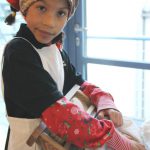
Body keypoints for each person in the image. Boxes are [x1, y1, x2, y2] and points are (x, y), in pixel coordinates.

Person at [2, 0, 145, 149]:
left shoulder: (55, 48)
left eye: (61, 13)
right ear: (25, 9)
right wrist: (119, 141)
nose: (50, 22)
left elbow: (78, 83)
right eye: (42, 8)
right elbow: (60, 114)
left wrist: (103, 100)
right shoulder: (19, 52)